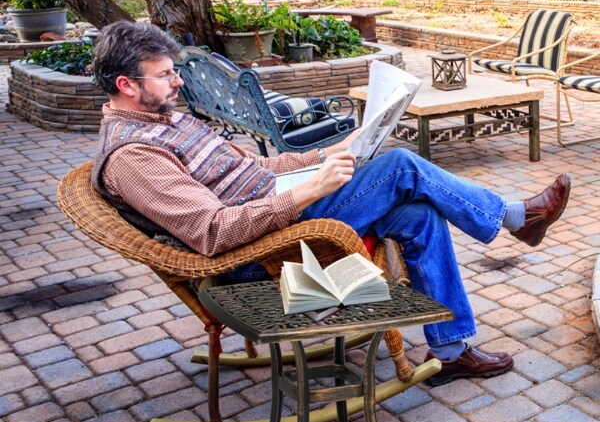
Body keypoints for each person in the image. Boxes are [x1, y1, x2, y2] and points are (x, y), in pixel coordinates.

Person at [90, 21, 571, 387]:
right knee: (401, 166)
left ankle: (450, 350)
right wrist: (308, 190)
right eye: (164, 76)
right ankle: (516, 218)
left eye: (174, 72)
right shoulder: (135, 157)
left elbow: (256, 171)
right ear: (125, 86)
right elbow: (212, 232)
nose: (177, 83)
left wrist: (332, 153)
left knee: (420, 214)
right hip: (262, 257)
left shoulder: (167, 122)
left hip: (276, 217)